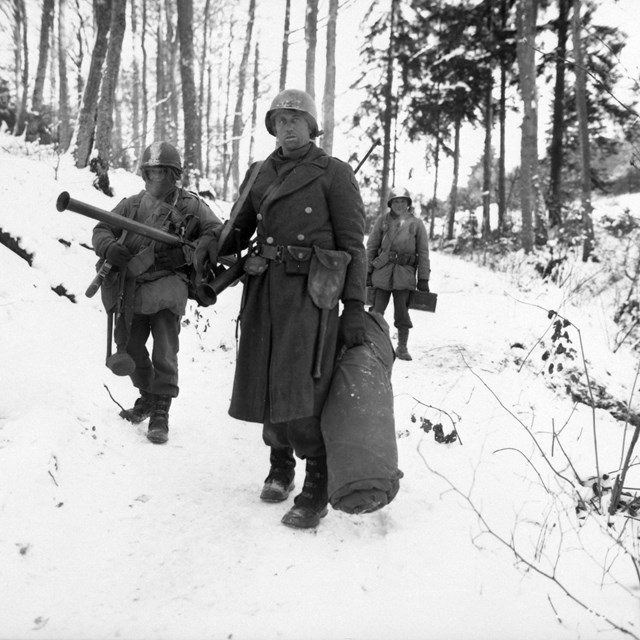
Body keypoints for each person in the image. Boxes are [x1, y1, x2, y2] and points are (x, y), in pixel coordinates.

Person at [217, 88, 367, 529]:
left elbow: (353, 245)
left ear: (312, 127)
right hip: (264, 287)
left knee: (304, 383)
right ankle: (280, 465)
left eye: (295, 120)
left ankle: (316, 484)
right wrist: (211, 249)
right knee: (266, 376)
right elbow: (237, 229)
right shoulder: (260, 171)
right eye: (280, 120)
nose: (287, 127)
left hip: (312, 292)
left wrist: (355, 305)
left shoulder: (333, 173)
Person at [92, 141, 222, 444]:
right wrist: (110, 247)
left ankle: (161, 409)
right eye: (151, 172)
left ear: (175, 175)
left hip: (168, 286)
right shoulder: (131, 204)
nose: (157, 179)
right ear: (143, 174)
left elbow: (215, 232)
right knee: (132, 348)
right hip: (132, 287)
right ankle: (148, 395)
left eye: (163, 173)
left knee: (165, 349)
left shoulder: (192, 206)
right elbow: (102, 229)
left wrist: (192, 251)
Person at [366, 187, 431, 361]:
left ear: (408, 204)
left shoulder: (416, 224)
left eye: (403, 201)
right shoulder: (382, 221)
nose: (399, 204)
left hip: (404, 274)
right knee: (376, 311)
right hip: (382, 273)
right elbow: (371, 247)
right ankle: (373, 345)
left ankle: (402, 347)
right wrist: (367, 271)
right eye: (396, 201)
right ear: (390, 204)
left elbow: (423, 253)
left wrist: (423, 278)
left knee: (402, 312)